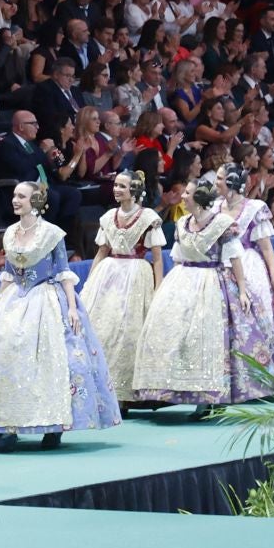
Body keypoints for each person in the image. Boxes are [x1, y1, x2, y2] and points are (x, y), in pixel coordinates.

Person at [0, 182, 120, 448]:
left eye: (21, 196)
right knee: (7, 357)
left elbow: (63, 272)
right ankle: (8, 428)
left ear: (35, 201)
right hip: (15, 299)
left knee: (50, 361)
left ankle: (53, 426)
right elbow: (9, 273)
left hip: (46, 299)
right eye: (14, 196)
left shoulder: (51, 233)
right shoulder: (11, 233)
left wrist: (72, 307)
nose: (15, 200)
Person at [130, 176, 274, 411]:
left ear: (199, 198)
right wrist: (170, 292)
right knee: (176, 336)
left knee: (213, 337)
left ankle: (212, 398)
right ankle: (169, 391)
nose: (183, 197)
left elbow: (235, 258)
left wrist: (243, 291)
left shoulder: (222, 224)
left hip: (213, 280)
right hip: (184, 279)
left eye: (187, 193)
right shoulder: (183, 223)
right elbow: (178, 257)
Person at [79, 170, 166, 405]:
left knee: (129, 330)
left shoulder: (148, 218)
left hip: (136, 274)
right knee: (104, 327)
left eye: (122, 186)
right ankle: (106, 389)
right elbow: (101, 252)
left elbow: (157, 258)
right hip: (109, 274)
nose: (116, 189)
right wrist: (90, 280)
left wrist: (159, 288)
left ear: (134, 191)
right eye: (115, 185)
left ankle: (130, 392)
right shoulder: (108, 217)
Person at [219, 163, 274, 350]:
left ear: (231, 182)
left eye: (219, 179)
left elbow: (266, 247)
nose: (215, 183)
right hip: (220, 262)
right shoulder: (215, 207)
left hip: (248, 262)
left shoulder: (254, 208)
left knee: (255, 308)